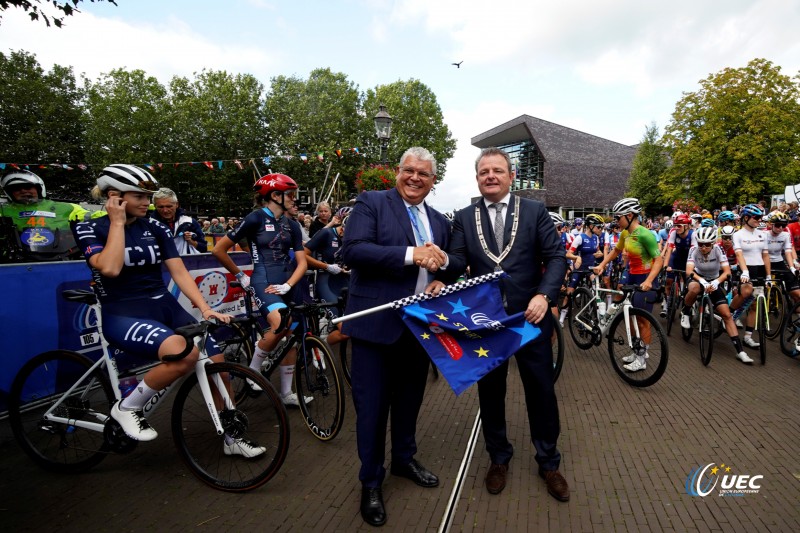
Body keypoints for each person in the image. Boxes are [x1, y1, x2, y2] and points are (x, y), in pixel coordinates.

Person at [69, 165, 264, 455]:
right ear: (114, 196)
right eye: (140, 196)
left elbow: (179, 271)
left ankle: (232, 439)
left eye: (148, 196)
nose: (147, 203)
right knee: (183, 352)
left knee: (217, 362)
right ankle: (127, 407)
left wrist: (204, 308)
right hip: (123, 312)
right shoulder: (90, 227)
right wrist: (118, 223)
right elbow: (109, 267)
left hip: (164, 306)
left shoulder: (155, 226)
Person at [441, 147, 570, 504]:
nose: (491, 176)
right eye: (484, 172)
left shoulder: (534, 211)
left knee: (541, 391)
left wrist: (545, 295)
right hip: (486, 323)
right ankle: (499, 457)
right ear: (478, 178)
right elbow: (457, 262)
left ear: (511, 176)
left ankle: (549, 462)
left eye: (498, 170)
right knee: (490, 393)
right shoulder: (465, 217)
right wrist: (440, 264)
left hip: (530, 320)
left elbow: (556, 256)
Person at [341, 147, 450, 527]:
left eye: (424, 173)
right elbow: (352, 250)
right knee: (371, 409)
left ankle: (404, 460)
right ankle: (371, 481)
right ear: (397, 172)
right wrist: (411, 255)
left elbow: (446, 263)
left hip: (419, 329)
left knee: (409, 402)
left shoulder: (439, 220)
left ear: (433, 181)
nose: (415, 178)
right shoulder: (372, 202)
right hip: (374, 327)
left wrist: (441, 274)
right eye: (409, 170)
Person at [212, 173, 310, 406]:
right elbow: (219, 250)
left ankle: (286, 393)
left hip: (287, 283)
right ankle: (253, 372)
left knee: (291, 339)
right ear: (275, 195)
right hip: (263, 281)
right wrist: (239, 275)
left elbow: (303, 262)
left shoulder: (292, 224)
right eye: (291, 195)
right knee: (280, 324)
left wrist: (289, 284)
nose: (294, 199)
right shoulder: (255, 218)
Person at [593, 197, 663, 372]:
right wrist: (602, 265)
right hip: (631, 275)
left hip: (645, 277)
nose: (616, 221)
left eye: (619, 217)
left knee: (642, 320)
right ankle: (637, 350)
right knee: (627, 314)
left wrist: (648, 281)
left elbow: (659, 260)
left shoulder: (646, 234)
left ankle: (642, 358)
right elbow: (616, 251)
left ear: (630, 215)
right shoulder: (625, 233)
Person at [682, 226, 751, 363]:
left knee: (726, 314)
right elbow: (689, 270)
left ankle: (740, 351)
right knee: (695, 289)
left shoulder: (718, 250)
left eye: (707, 245)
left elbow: (727, 272)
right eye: (701, 244)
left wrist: (716, 282)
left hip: (714, 279)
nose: (703, 247)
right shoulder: (693, 250)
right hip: (697, 277)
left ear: (712, 243)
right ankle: (686, 311)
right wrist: (702, 281)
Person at [0, 169, 93, 261]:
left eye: (28, 187)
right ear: (10, 193)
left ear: (38, 188)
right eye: (16, 189)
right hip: (16, 259)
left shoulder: (66, 207)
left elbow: (96, 215)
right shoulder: (3, 210)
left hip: (63, 256)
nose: (23, 191)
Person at [304, 206, 351, 317]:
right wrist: (326, 266)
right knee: (343, 329)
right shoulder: (326, 234)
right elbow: (302, 254)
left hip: (347, 281)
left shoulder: (356, 237)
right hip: (327, 281)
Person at [151, 188, 207, 255]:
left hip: (187, 263)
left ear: (176, 204)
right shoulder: (149, 224)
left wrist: (191, 241)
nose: (165, 210)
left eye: (169, 206)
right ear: (155, 206)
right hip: (160, 264)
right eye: (161, 207)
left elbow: (204, 248)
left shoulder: (189, 222)